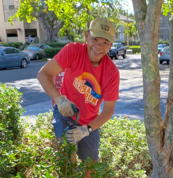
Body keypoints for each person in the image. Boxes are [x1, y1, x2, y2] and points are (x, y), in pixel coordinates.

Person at [37, 18, 120, 162]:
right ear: (86, 36)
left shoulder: (112, 72)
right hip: (64, 113)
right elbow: (43, 74)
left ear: (110, 45)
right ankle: (69, 177)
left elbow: (108, 111)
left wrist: (86, 130)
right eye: (95, 39)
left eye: (105, 43)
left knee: (91, 166)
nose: (99, 47)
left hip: (89, 122)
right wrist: (59, 99)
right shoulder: (73, 50)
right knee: (66, 159)